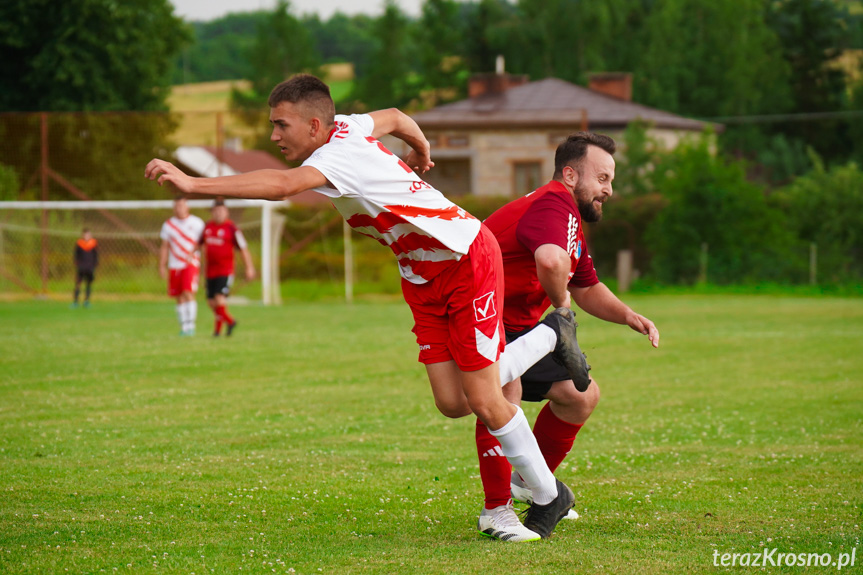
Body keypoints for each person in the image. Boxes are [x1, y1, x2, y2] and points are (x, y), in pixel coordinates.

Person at [145, 74, 589, 540]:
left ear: (315, 124)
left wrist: (192, 183)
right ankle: (552, 334)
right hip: (421, 275)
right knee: (454, 403)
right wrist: (419, 152)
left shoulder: (338, 153)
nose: (273, 135)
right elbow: (397, 117)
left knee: (484, 399)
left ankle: (541, 498)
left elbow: (280, 186)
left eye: (281, 125)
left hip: (465, 258)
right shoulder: (348, 128)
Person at [475, 132, 660, 535]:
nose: (609, 189)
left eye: (611, 180)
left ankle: (530, 482)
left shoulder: (568, 216)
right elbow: (551, 259)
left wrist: (627, 314)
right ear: (571, 175)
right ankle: (496, 510)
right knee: (501, 395)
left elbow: (586, 284)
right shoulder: (552, 204)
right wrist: (562, 311)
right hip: (482, 315)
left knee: (580, 396)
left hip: (516, 324)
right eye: (604, 178)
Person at [200, 199, 256, 336]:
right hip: (210, 270)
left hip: (225, 270)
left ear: (226, 212)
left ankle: (217, 332)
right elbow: (200, 245)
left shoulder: (232, 228)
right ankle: (230, 321)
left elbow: (243, 249)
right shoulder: (207, 227)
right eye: (216, 211)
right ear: (212, 212)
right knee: (211, 302)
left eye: (221, 211)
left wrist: (249, 267)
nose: (219, 214)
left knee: (219, 298)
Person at [159, 196, 205, 336]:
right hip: (174, 265)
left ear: (187, 207)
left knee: (188, 292)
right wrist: (162, 265)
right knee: (179, 296)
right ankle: (184, 326)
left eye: (182, 205)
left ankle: (191, 325)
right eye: (177, 206)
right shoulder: (168, 225)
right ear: (174, 208)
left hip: (190, 263)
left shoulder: (197, 223)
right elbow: (165, 246)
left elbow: (203, 242)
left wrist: (195, 253)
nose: (179, 208)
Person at [72, 228, 99, 308]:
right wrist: (77, 264)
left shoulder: (94, 244)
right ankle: (76, 301)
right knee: (78, 284)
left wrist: (94, 265)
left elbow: (96, 256)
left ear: (90, 235)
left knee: (88, 284)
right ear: (83, 235)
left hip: (90, 268)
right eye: (85, 234)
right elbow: (76, 256)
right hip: (81, 268)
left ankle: (86, 301)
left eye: (88, 234)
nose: (87, 236)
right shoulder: (79, 243)